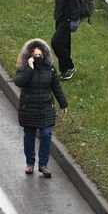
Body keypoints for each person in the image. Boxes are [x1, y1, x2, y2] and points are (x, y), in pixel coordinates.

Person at [14, 38, 68, 178]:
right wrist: (30, 69)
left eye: (40, 54)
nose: (37, 57)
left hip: (45, 107)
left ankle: (43, 164)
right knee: (29, 136)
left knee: (46, 134)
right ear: (30, 55)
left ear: (44, 54)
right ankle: (30, 163)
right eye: (34, 54)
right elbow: (19, 82)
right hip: (29, 108)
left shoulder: (49, 68)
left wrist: (63, 103)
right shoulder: (24, 66)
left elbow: (56, 86)